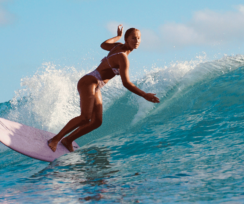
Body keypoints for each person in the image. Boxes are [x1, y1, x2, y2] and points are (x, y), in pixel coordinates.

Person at [48, 24, 160, 153]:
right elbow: (126, 83)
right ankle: (55, 139)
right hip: (89, 82)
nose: (137, 41)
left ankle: (68, 140)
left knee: (96, 121)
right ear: (126, 39)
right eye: (133, 38)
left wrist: (117, 37)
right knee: (85, 117)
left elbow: (104, 44)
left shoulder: (117, 46)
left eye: (139, 38)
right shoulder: (122, 56)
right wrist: (144, 94)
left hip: (96, 85)